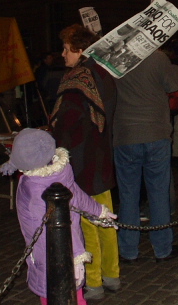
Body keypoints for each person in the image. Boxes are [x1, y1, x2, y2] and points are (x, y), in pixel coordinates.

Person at [0, 128, 117, 305]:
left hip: (53, 257)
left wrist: (76, 258)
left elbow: (63, 228)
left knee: (58, 297)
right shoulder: (60, 174)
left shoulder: (37, 189)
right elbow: (77, 195)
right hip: (52, 255)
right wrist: (98, 211)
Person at [51, 24, 120, 301]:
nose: (63, 54)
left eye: (66, 49)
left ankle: (94, 283)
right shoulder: (103, 73)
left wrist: (54, 136)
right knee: (106, 218)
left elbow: (68, 125)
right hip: (102, 156)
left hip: (83, 161)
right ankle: (112, 275)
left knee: (87, 222)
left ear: (79, 50)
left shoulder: (76, 80)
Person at [113, 50, 178, 262]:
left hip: (126, 134)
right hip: (155, 133)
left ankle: (128, 249)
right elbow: (175, 84)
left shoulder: (116, 58)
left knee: (128, 195)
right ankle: (162, 248)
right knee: (159, 193)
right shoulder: (158, 57)